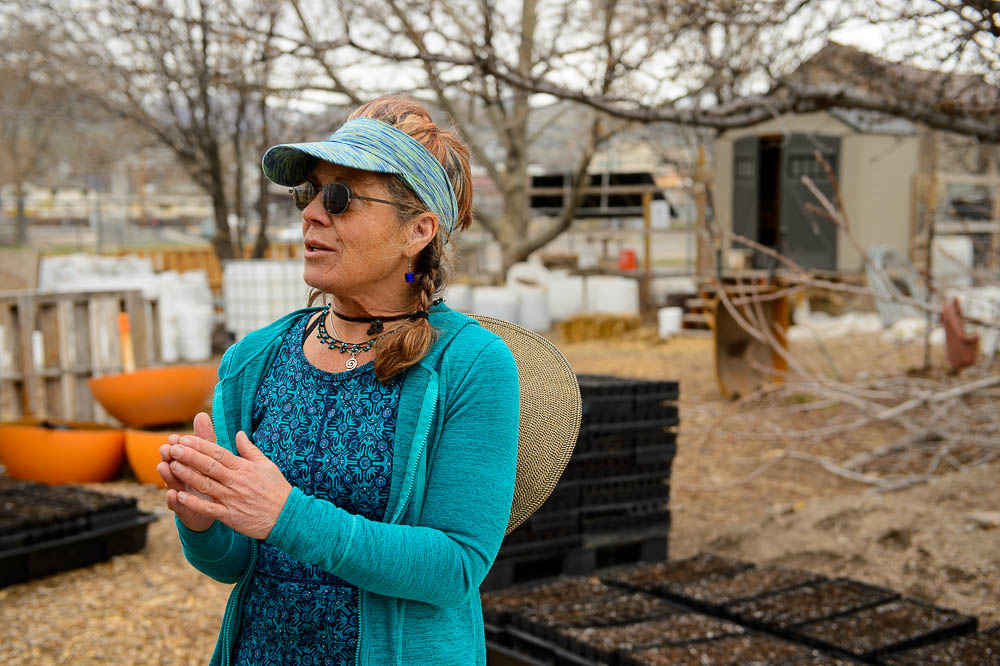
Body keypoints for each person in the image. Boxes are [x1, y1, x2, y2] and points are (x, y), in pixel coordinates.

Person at [156, 94, 520, 666]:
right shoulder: (254, 358)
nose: (311, 213)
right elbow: (232, 564)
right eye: (309, 193)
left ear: (418, 230)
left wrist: (286, 515)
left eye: (340, 198)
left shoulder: (471, 364)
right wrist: (202, 520)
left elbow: (454, 566)